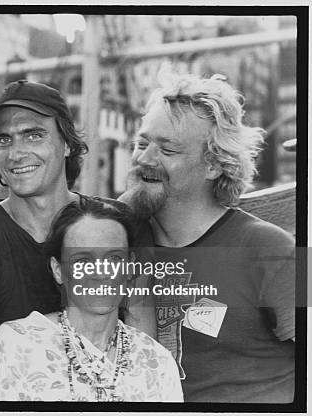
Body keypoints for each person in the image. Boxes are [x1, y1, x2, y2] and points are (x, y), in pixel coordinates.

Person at [0, 80, 157, 400]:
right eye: (4, 140)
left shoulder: (118, 226)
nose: (17, 153)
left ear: (68, 143)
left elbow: (143, 362)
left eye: (34, 134)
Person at [120, 68, 295, 402]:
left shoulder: (272, 250)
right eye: (142, 143)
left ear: (214, 165)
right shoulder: (117, 241)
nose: (143, 159)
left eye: (167, 151)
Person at [0, 197, 183, 401]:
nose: (100, 273)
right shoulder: (20, 343)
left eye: (113, 258)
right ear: (58, 270)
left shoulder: (157, 361)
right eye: (83, 260)